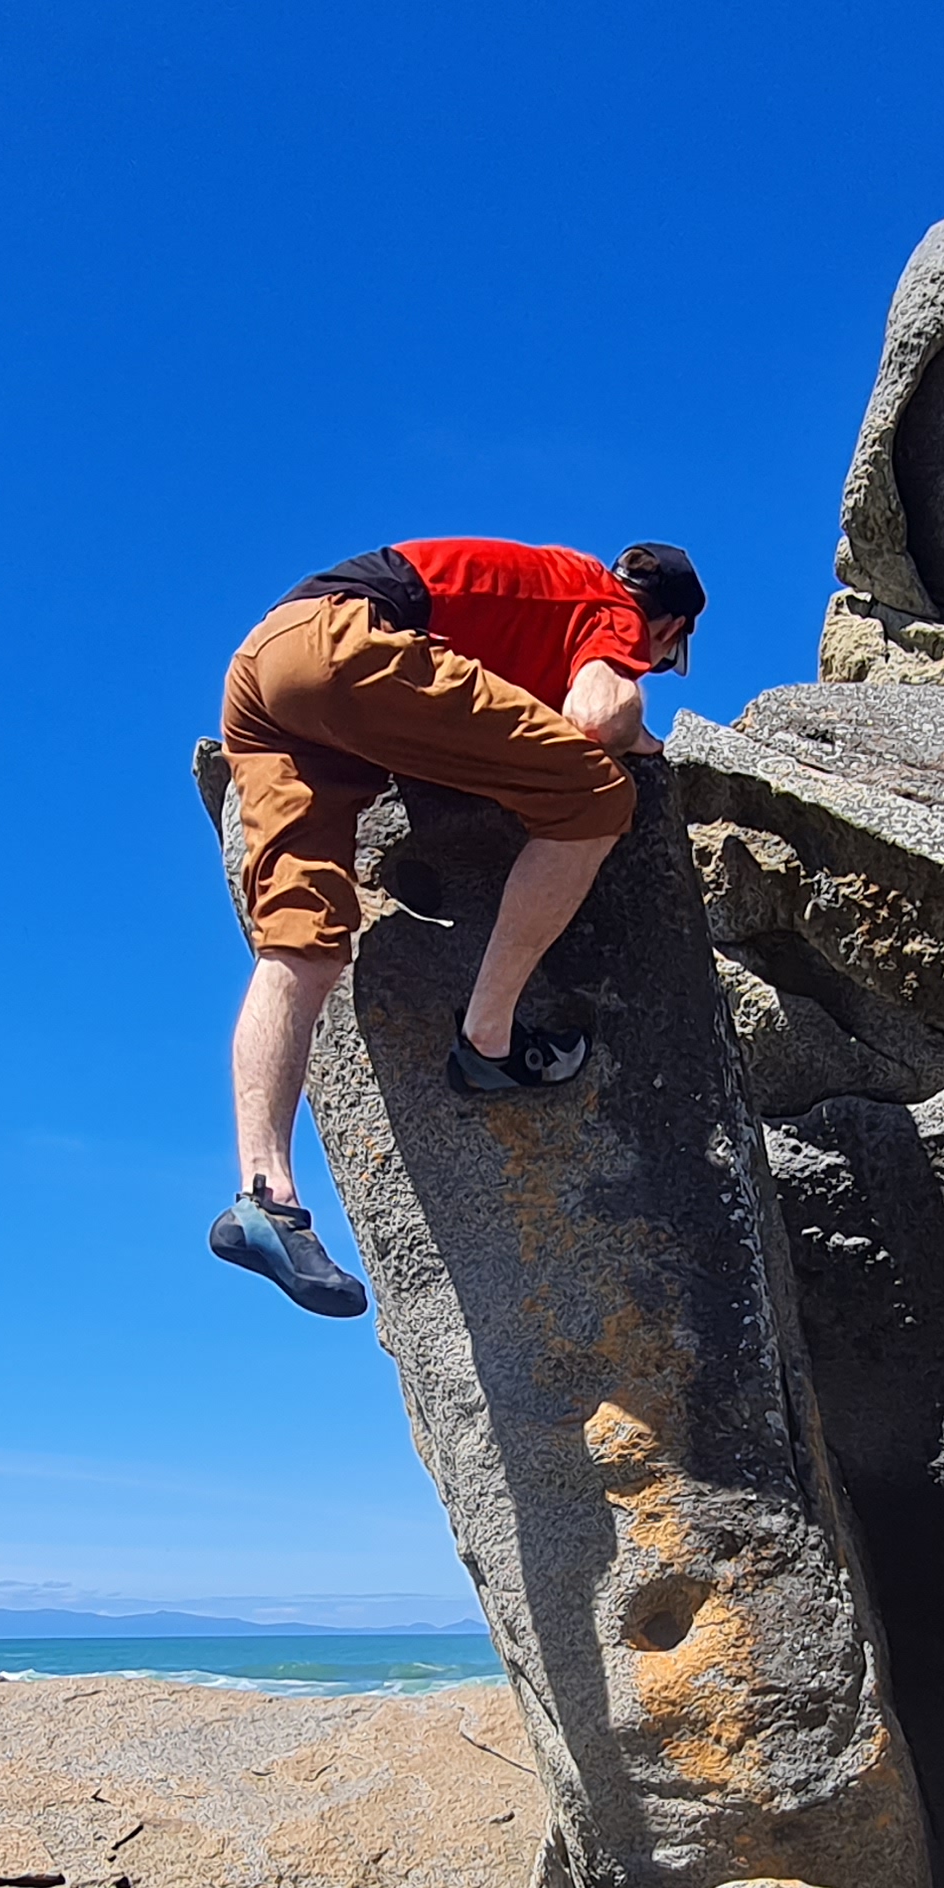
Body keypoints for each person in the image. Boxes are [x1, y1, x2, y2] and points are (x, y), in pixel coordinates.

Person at [208, 537, 706, 1317]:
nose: (655, 661)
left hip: (262, 671)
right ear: (669, 624)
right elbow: (599, 715)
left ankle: (262, 1197)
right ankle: (489, 1041)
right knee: (598, 797)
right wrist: (647, 738)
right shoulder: (610, 604)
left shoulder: (534, 587)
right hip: (347, 643)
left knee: (299, 943)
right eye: (667, 655)